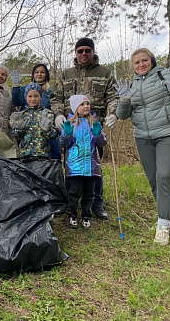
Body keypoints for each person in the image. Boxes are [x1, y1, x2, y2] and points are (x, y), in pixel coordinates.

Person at [115, 48, 170, 245]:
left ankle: (162, 225)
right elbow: (123, 114)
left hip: (169, 133)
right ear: (132, 66)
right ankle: (168, 218)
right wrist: (124, 100)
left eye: (144, 60)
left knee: (164, 176)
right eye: (137, 62)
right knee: (154, 180)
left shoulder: (164, 76)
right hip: (143, 137)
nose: (141, 64)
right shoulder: (131, 84)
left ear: (151, 61)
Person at [51, 37, 118, 220]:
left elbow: (113, 95)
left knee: (94, 166)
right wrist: (58, 115)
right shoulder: (66, 74)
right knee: (71, 166)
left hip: (93, 128)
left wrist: (113, 113)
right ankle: (70, 203)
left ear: (93, 52)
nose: (83, 54)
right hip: (71, 128)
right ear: (76, 53)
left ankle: (96, 203)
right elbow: (56, 97)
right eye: (80, 51)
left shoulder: (104, 73)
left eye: (87, 50)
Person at [60, 95, 107, 229]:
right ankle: (72, 214)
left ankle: (87, 216)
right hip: (75, 166)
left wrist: (98, 134)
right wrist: (66, 134)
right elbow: (63, 143)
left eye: (87, 104)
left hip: (91, 166)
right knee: (74, 192)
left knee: (89, 193)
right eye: (82, 104)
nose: (86, 106)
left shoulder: (94, 123)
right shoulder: (70, 123)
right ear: (75, 108)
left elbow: (102, 142)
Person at [10, 63, 62, 159]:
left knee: (55, 154)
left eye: (42, 72)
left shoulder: (50, 90)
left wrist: (52, 123)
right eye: (36, 72)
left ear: (46, 74)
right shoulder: (25, 88)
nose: (39, 74)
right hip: (27, 127)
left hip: (44, 126)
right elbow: (17, 102)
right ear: (33, 74)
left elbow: (55, 106)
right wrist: (16, 87)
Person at [9, 83, 56, 159]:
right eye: (30, 96)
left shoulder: (47, 114)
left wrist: (47, 130)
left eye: (36, 96)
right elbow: (17, 136)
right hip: (25, 155)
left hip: (43, 155)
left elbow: (52, 135)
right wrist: (18, 128)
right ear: (26, 97)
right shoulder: (22, 115)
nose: (33, 99)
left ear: (41, 97)